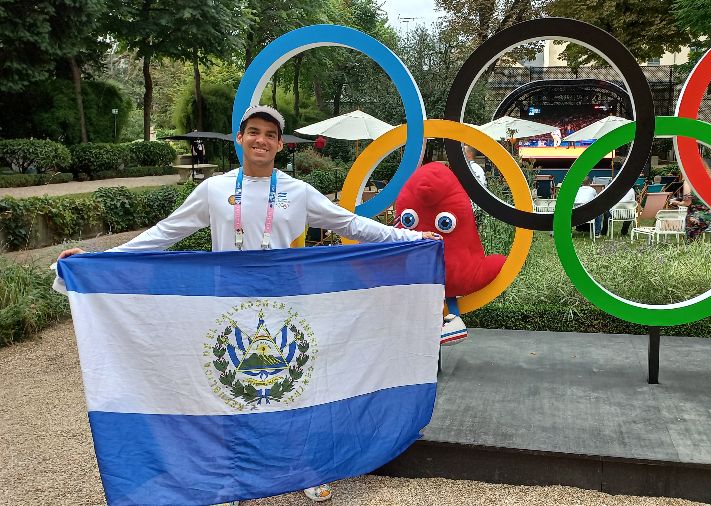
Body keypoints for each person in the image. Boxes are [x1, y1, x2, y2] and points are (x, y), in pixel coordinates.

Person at [57, 105, 442, 504]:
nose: (261, 140)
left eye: (270, 135)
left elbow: (352, 225)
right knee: (231, 387)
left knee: (297, 387)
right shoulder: (214, 190)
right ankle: (235, 475)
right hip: (228, 308)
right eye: (253, 132)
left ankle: (306, 469)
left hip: (288, 308)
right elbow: (165, 234)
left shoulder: (298, 192)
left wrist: (413, 240)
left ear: (280, 144)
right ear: (239, 139)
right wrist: (100, 258)